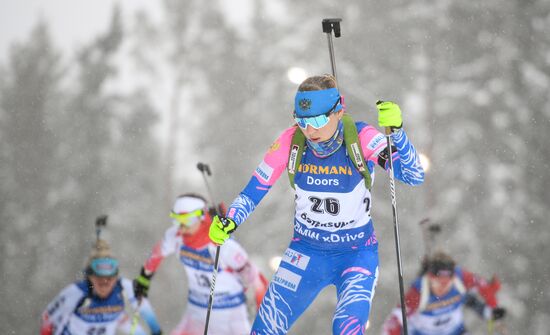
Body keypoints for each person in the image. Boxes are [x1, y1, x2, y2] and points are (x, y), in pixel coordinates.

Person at [208, 74, 425, 334]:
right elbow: (254, 190)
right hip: (306, 252)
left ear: (337, 111)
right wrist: (230, 220)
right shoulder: (290, 142)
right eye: (302, 121)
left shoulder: (361, 137)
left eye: (318, 120)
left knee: (346, 329)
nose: (310, 131)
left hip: (356, 254)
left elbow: (412, 176)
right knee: (264, 329)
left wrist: (397, 132)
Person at [133, 193, 268, 335]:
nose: (182, 228)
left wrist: (263, 315)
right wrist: (144, 279)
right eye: (177, 221)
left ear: (201, 217)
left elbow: (256, 280)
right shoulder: (176, 237)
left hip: (230, 315)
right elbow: (156, 254)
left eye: (188, 221)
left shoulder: (224, 245)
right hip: (196, 312)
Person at [41, 239, 162, 335]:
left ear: (116, 278)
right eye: (99, 279)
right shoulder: (76, 292)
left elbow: (140, 310)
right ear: (90, 277)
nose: (105, 284)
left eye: (110, 279)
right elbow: (48, 317)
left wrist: (156, 331)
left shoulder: (122, 287)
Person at [381, 251, 506, 335]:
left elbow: (483, 287)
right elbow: (393, 322)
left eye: (447, 283)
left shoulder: (460, 277)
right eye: (438, 282)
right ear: (429, 278)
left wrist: (491, 310)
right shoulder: (418, 292)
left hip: (455, 331)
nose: (443, 287)